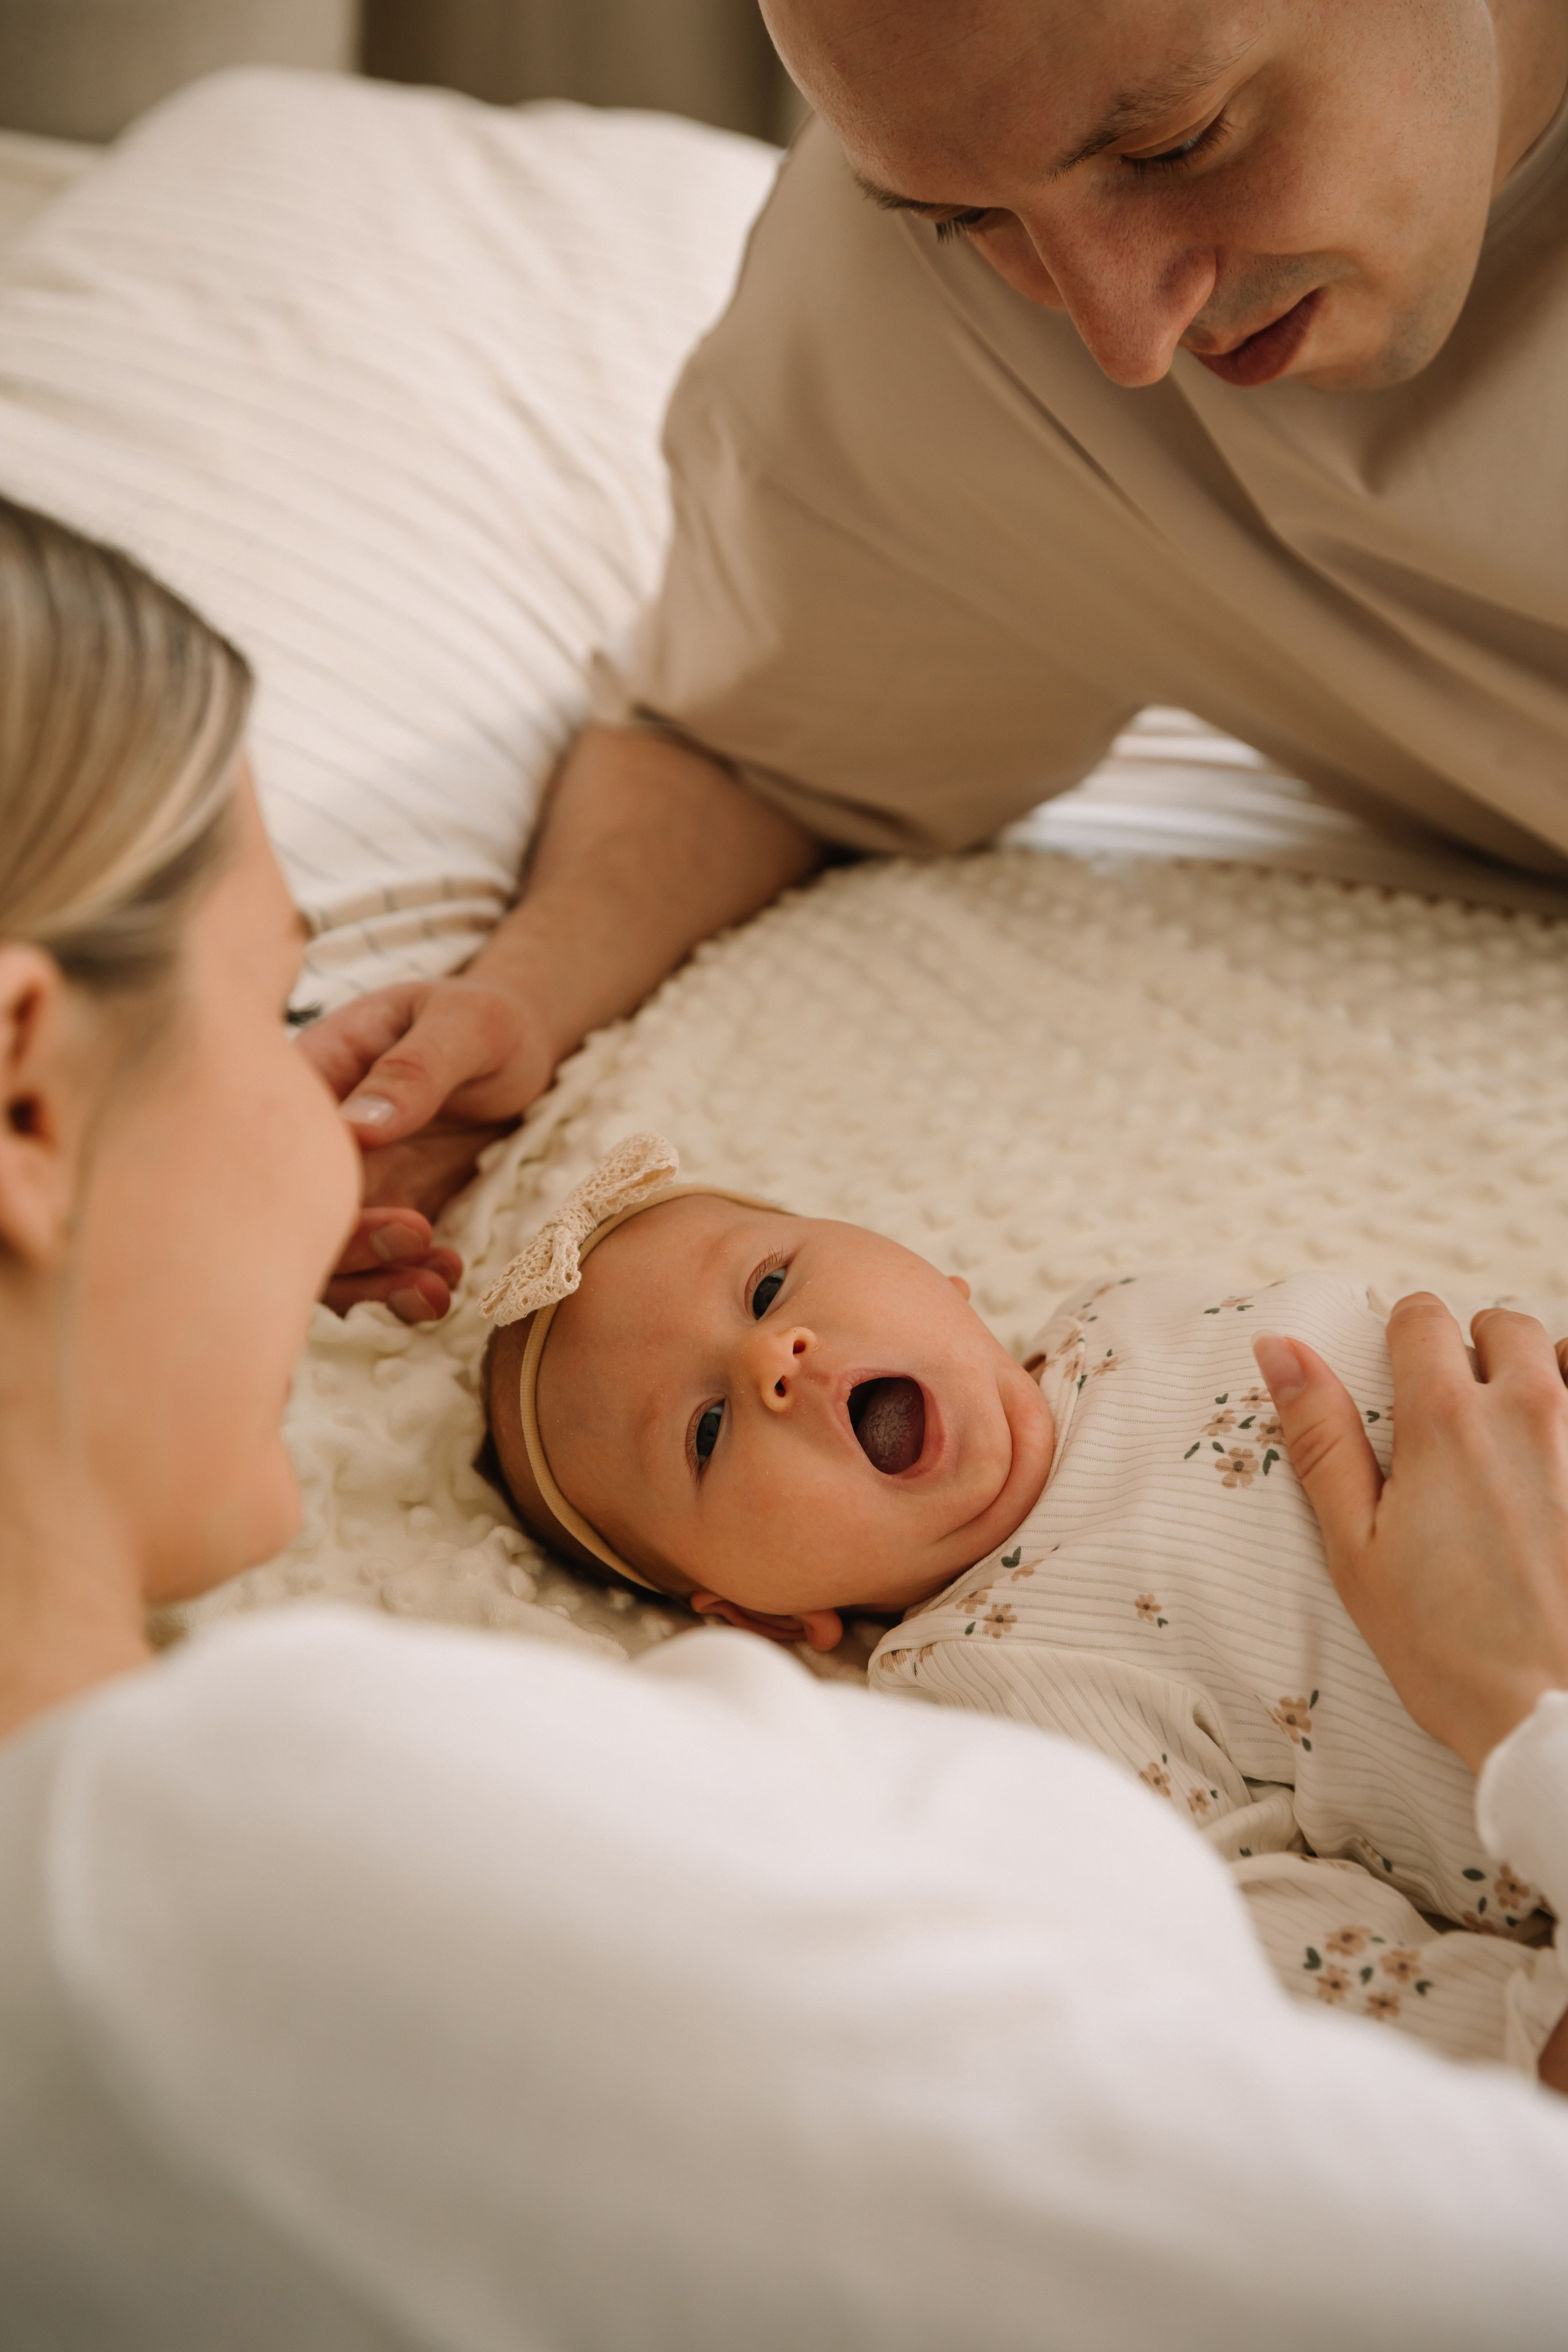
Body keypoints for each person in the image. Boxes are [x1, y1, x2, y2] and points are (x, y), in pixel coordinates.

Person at [9, 490, 1568, 2343]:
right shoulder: (290, 1856)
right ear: (27, 1102)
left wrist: (206, 1248)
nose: (331, 1121)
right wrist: (1529, 1712)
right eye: (281, 1011)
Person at [298, 0, 1568, 1311]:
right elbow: (754, 749)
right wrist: (514, 1007)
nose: (1121, 337)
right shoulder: (915, 306)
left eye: (1176, 143)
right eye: (976, 222)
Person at [476, 1134, 1568, 2076]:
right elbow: (1262, 1935)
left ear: (934, 1274)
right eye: (706, 1432)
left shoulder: (1128, 1309)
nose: (774, 1355)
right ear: (761, 1619)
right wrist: (1515, 2040)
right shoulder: (988, 1686)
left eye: (767, 1287)